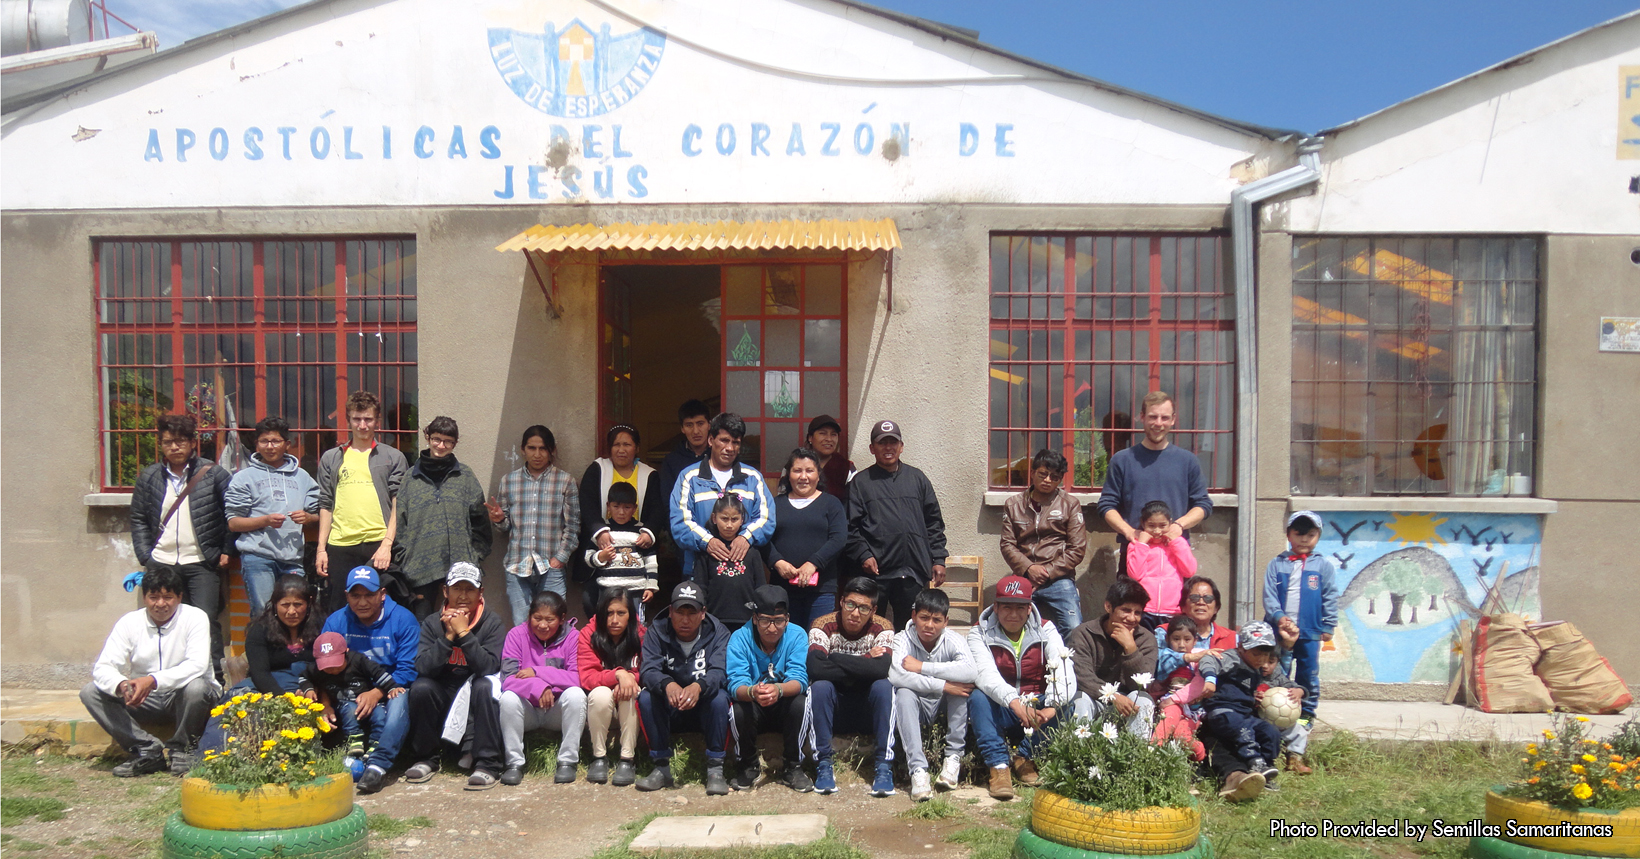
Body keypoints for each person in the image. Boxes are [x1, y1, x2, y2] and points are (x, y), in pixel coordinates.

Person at [81, 567, 221, 777]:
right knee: (90, 692)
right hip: (144, 699)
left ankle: (182, 750)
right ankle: (147, 750)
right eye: (153, 597)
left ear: (179, 597)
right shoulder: (130, 622)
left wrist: (152, 680)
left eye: (168, 597)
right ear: (145, 598)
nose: (161, 604)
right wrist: (122, 685)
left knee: (198, 687)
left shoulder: (195, 617)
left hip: (182, 696)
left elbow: (197, 665)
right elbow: (103, 666)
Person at [129, 413, 234, 682]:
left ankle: (214, 679)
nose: (174, 447)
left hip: (201, 562)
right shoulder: (150, 477)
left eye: (180, 441)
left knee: (206, 621)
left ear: (192, 442)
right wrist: (146, 555)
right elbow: (139, 518)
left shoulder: (213, 474)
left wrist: (225, 550)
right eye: (167, 442)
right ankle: (165, 677)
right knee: (163, 621)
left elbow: (231, 515)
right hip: (161, 562)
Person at [967, 575, 1079, 800]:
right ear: (996, 607)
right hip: (1004, 704)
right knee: (978, 696)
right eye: (1006, 607)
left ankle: (1024, 758)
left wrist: (1052, 706)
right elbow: (985, 675)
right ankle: (998, 766)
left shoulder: (1046, 629)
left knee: (1069, 702)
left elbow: (1064, 670)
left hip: (1037, 704)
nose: (1013, 614)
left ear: (1030, 609)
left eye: (1020, 608)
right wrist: (1016, 705)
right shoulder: (979, 632)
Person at [403, 562, 508, 790]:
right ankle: (426, 758)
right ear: (445, 591)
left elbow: (489, 666)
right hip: (445, 694)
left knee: (486, 685)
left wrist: (464, 633)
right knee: (421, 687)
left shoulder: (491, 623)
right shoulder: (432, 623)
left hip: (475, 696)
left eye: (469, 589)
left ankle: (488, 764)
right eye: (457, 589)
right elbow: (423, 667)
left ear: (480, 593)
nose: (463, 596)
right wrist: (448, 637)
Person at [198, 574, 322, 754]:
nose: (291, 611)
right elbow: (259, 673)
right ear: (274, 604)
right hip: (266, 689)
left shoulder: (321, 628)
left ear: (308, 604)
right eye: (285, 605)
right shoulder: (260, 630)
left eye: (298, 604)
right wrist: (286, 702)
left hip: (310, 689)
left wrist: (312, 689)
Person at [321, 566, 418, 794]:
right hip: (347, 691)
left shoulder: (404, 620)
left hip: (391, 686)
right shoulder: (335, 622)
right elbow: (321, 669)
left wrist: (377, 693)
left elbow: (407, 669)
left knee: (400, 698)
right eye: (355, 595)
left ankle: (377, 766)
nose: (362, 602)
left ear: (382, 594)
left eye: (369, 595)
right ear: (346, 595)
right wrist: (325, 703)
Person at [845, 420, 947, 627]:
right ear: (872, 448)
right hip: (875, 575)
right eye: (882, 443)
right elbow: (850, 527)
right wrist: (863, 554)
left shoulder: (918, 479)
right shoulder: (860, 483)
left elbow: (934, 522)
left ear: (901, 447)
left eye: (893, 442)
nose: (888, 448)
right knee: (871, 630)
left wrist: (938, 559)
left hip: (912, 573)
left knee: (909, 632)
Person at [1096, 392, 1211, 574]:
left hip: (1176, 559)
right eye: (1153, 417)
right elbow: (1106, 506)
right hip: (1135, 556)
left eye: (1164, 417)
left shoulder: (1188, 461)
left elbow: (1203, 505)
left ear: (1173, 420)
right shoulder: (1122, 460)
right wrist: (1129, 531)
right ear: (1142, 417)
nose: (1158, 423)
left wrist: (1179, 525)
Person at [636, 581, 734, 795]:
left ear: (703, 613)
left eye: (692, 612)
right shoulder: (657, 630)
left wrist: (699, 686)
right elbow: (648, 670)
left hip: (703, 706)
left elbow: (720, 671)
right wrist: (667, 684)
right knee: (645, 697)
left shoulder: (718, 632)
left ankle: (716, 769)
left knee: (720, 698)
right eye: (680, 612)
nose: (686, 619)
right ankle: (661, 767)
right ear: (670, 611)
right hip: (671, 705)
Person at [316, 390, 409, 614]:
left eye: (368, 419)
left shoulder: (392, 457)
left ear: (377, 421)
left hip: (378, 544)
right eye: (357, 419)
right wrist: (321, 549)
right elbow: (326, 504)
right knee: (341, 608)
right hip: (341, 545)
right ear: (348, 420)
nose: (362, 425)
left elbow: (400, 503)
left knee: (383, 608)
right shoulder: (332, 457)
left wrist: (387, 544)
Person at [395, 416, 492, 619]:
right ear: (428, 438)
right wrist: (405, 560)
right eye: (437, 439)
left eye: (448, 441)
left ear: (454, 444)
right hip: (419, 568)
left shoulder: (465, 476)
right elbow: (400, 524)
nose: (441, 445)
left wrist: (474, 556)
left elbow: (480, 519)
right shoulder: (411, 477)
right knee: (422, 625)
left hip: (461, 567)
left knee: (462, 624)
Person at [1262, 510, 1338, 767]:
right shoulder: (1277, 564)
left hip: (1310, 631)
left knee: (1308, 676)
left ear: (1317, 536)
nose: (1304, 539)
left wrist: (1328, 624)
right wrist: (1279, 617)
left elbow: (1329, 596)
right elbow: (1270, 595)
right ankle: (1277, 717)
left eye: (1310, 534)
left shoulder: (1323, 566)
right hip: (1280, 632)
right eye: (1299, 533)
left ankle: (1304, 719)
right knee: (1279, 672)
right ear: (1288, 535)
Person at [806, 577, 894, 796]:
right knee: (820, 687)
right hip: (835, 706)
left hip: (867, 706)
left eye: (864, 608)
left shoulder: (883, 627)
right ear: (841, 602)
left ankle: (884, 765)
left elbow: (880, 670)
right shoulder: (822, 625)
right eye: (851, 605)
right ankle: (824, 764)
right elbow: (816, 668)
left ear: (873, 610)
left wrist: (834, 657)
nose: (855, 613)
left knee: (884, 687)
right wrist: (865, 660)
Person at [1197, 621, 1303, 801]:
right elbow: (1209, 659)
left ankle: (1265, 770)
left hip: (1244, 714)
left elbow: (1284, 680)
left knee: (1270, 732)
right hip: (1222, 712)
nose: (1261, 659)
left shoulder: (1261, 667)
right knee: (1242, 730)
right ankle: (1254, 762)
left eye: (1266, 654)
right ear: (1241, 647)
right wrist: (1209, 678)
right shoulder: (1233, 659)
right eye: (1256, 653)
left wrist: (1299, 691)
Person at [889, 588, 976, 802]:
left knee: (960, 688)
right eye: (924, 618)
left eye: (937, 620)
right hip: (917, 702)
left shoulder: (954, 640)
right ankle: (918, 771)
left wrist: (922, 667)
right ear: (913, 616)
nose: (929, 625)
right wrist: (944, 685)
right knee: (904, 693)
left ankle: (953, 757)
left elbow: (970, 671)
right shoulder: (902, 639)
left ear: (946, 621)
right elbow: (896, 675)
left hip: (943, 705)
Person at [488, 425, 580, 625]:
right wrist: (499, 520)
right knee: (522, 627)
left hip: (551, 567)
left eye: (543, 449)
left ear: (552, 450)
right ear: (523, 450)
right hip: (517, 565)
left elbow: (573, 526)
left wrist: (560, 559)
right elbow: (504, 528)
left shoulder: (565, 481)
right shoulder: (509, 481)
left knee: (553, 626)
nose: (537, 454)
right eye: (532, 448)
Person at [226, 416, 320, 612]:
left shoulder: (302, 477)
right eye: (264, 441)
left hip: (293, 558)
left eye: (275, 441)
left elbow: (319, 514)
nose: (270, 446)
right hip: (258, 558)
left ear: (286, 444)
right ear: (256, 444)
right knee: (265, 613)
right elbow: (234, 523)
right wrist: (265, 521)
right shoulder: (243, 478)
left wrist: (308, 518)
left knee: (295, 613)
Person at [726, 585, 811, 792]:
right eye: (765, 620)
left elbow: (800, 679)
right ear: (755, 618)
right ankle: (748, 764)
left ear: (787, 619)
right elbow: (735, 683)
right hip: (754, 703)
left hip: (783, 703)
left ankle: (793, 765)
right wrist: (753, 692)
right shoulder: (740, 637)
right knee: (737, 709)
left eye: (779, 621)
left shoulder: (797, 635)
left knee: (801, 703)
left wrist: (779, 690)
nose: (772, 628)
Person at [670, 412, 775, 578]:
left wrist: (745, 538)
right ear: (711, 441)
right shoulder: (689, 477)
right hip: (698, 571)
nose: (730, 448)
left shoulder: (753, 478)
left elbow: (766, 519)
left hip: (742, 572)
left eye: (736, 442)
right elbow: (680, 523)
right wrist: (708, 542)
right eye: (724, 440)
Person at [499, 591, 586, 786]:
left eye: (550, 619)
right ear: (529, 616)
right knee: (508, 698)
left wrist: (538, 672)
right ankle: (514, 763)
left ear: (562, 619)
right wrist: (539, 687)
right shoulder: (516, 635)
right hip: (527, 710)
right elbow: (508, 678)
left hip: (556, 710)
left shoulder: (573, 638)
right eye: (537, 618)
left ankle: (567, 760)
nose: (543, 625)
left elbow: (578, 678)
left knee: (576, 695)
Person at [1000, 448, 1089, 634]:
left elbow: (1077, 548)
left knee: (1075, 628)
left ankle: (1065, 663)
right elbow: (1007, 544)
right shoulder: (1013, 504)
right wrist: (1029, 569)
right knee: (1010, 624)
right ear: (1032, 473)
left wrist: (1047, 572)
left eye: (1055, 477)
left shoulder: (1070, 504)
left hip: (1059, 578)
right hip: (1023, 576)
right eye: (1043, 474)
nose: (1048, 480)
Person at [579, 424, 668, 595]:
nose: (621, 450)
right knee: (592, 600)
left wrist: (649, 533)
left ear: (637, 448)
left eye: (627, 445)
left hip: (635, 551)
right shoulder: (597, 469)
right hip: (604, 545)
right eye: (616, 445)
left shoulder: (649, 475)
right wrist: (599, 532)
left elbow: (658, 509)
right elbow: (587, 504)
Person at [1066, 578, 1158, 738]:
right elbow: (1082, 677)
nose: (1132, 618)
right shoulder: (1083, 634)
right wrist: (1113, 696)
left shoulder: (1146, 638)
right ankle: (1078, 755)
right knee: (1080, 700)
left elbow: (1143, 684)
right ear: (1108, 607)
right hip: (1095, 701)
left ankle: (1137, 758)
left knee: (1143, 700)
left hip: (1129, 707)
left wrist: (1131, 649)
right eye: (1126, 610)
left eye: (1138, 613)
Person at [768, 448, 848, 627]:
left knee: (817, 639)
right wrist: (777, 562)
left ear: (818, 475)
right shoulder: (775, 504)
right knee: (785, 640)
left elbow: (839, 538)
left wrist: (813, 564)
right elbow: (764, 539)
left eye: (809, 471)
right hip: (782, 588)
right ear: (788, 474)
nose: (803, 476)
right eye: (797, 470)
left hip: (821, 589)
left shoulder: (831, 504)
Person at [578, 588, 646, 787]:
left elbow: (649, 670)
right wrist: (618, 674)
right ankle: (599, 757)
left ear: (630, 615)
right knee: (600, 694)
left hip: (628, 696)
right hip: (602, 698)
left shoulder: (641, 633)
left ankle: (627, 759)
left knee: (630, 693)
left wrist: (630, 679)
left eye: (621, 613)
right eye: (609, 613)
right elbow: (587, 677)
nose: (614, 619)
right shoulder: (588, 633)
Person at [308, 631, 400, 761]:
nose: (333, 670)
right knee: (349, 710)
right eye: (327, 667)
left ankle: (376, 744)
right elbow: (304, 677)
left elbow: (378, 672)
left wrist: (392, 687)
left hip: (367, 699)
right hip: (343, 703)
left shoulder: (358, 660)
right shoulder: (315, 669)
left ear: (346, 652)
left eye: (336, 665)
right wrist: (308, 690)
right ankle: (354, 740)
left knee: (380, 714)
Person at [692, 493, 769, 631]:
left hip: (747, 619)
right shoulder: (707, 551)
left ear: (742, 520)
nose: (729, 525)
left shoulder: (751, 551)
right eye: (724, 519)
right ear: (714, 518)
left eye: (734, 519)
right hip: (714, 619)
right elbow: (701, 585)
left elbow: (760, 586)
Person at [583, 482, 659, 620]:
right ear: (608, 506)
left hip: (636, 590)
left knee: (636, 626)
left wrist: (651, 586)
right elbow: (588, 558)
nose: (621, 512)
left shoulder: (642, 532)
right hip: (608, 590)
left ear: (635, 508)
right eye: (616, 506)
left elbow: (651, 561)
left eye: (627, 507)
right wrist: (601, 557)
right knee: (609, 623)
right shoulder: (602, 532)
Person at [1126, 500, 1200, 631]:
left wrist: (1176, 542)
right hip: (1144, 610)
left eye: (1162, 525)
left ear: (1170, 523)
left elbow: (1189, 571)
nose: (1157, 531)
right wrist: (1142, 545)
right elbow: (1135, 574)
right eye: (1151, 525)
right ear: (1143, 524)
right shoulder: (1136, 545)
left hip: (1172, 611)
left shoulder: (1178, 543)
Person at [1151, 616, 1208, 761]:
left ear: (1195, 640)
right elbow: (1160, 669)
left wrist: (1174, 699)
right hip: (1170, 706)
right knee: (1171, 715)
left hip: (1191, 710)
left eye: (1187, 639)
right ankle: (1153, 751)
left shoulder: (1199, 658)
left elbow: (1199, 683)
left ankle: (1202, 756)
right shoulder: (1165, 657)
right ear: (1168, 639)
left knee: (1182, 735)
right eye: (1176, 639)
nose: (1181, 644)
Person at [1164, 576, 1238, 656]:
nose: (1201, 602)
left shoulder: (1233, 638)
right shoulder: (1164, 631)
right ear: (1183, 606)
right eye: (1194, 598)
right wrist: (1188, 658)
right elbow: (1158, 660)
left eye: (1208, 598)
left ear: (1216, 608)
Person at [658, 399, 713, 496]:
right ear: (682, 429)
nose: (695, 431)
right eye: (689, 425)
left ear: (709, 425)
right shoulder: (671, 461)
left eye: (700, 424)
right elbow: (668, 500)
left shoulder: (719, 456)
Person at [804, 415, 855, 504]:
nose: (829, 439)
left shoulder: (846, 467)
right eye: (823, 433)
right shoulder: (796, 465)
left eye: (833, 434)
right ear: (810, 438)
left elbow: (854, 502)